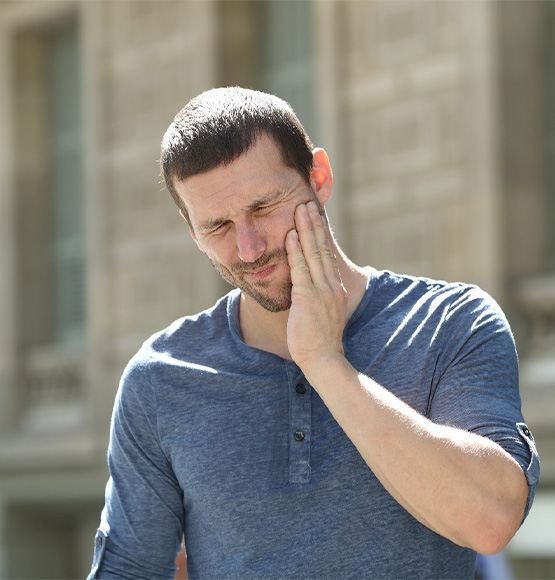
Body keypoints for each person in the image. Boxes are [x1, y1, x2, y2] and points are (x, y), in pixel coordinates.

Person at [88, 87, 539, 579]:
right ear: (192, 231)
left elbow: (490, 520)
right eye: (217, 225)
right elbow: (127, 570)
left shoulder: (451, 322)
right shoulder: (160, 379)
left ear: (318, 177)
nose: (248, 247)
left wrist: (325, 362)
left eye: (264, 206)